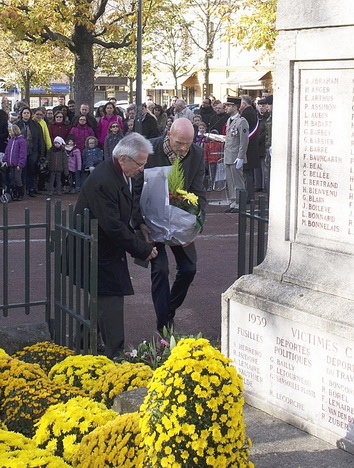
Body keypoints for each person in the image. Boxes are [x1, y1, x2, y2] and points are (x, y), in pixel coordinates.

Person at [74, 133, 158, 359]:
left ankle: (83, 343)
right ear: (123, 159)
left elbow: (124, 212)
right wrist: (142, 249)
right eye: (139, 164)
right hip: (95, 250)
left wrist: (138, 228)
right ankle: (116, 354)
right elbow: (112, 225)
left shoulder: (118, 173)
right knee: (110, 299)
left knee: (100, 300)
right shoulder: (104, 180)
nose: (141, 169)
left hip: (102, 246)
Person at [132, 118, 206, 332]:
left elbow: (199, 192)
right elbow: (135, 189)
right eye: (179, 143)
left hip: (180, 221)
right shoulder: (149, 150)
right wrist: (138, 223)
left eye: (188, 144)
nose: (183, 149)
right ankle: (164, 325)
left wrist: (197, 225)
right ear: (168, 136)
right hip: (150, 223)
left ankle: (168, 310)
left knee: (189, 268)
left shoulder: (197, 154)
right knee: (160, 269)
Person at [223, 96, 249, 213]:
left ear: (235, 107)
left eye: (229, 106)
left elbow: (244, 141)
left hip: (236, 156)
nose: (226, 108)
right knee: (230, 181)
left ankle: (240, 204)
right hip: (228, 155)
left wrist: (240, 157)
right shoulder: (229, 120)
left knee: (238, 182)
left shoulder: (241, 121)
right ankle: (233, 202)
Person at [16, 106, 45, 197]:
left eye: (28, 113)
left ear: (30, 114)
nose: (26, 114)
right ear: (21, 114)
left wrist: (41, 153)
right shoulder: (17, 125)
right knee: (21, 171)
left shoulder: (36, 125)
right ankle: (21, 189)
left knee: (32, 170)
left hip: (33, 151)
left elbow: (41, 139)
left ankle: (31, 188)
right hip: (20, 152)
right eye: (24, 113)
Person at [240, 95, 259, 202]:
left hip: (248, 148)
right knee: (248, 173)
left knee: (247, 174)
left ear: (244, 104)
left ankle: (248, 196)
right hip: (251, 147)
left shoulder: (247, 114)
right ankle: (249, 195)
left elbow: (245, 131)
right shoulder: (251, 112)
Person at [2, 124, 27, 201]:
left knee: (17, 179)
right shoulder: (10, 140)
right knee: (12, 178)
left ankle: (20, 193)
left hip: (17, 164)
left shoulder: (21, 141)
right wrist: (5, 160)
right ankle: (14, 193)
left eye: (11, 131)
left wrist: (20, 164)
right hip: (11, 163)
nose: (10, 133)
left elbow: (23, 153)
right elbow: (7, 151)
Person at [254, 98, 270, 192]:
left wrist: (258, 139)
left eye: (263, 106)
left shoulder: (267, 117)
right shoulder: (257, 117)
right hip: (256, 146)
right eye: (260, 106)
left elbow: (265, 132)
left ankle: (264, 185)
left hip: (263, 145)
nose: (261, 108)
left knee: (263, 165)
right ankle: (258, 184)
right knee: (257, 167)